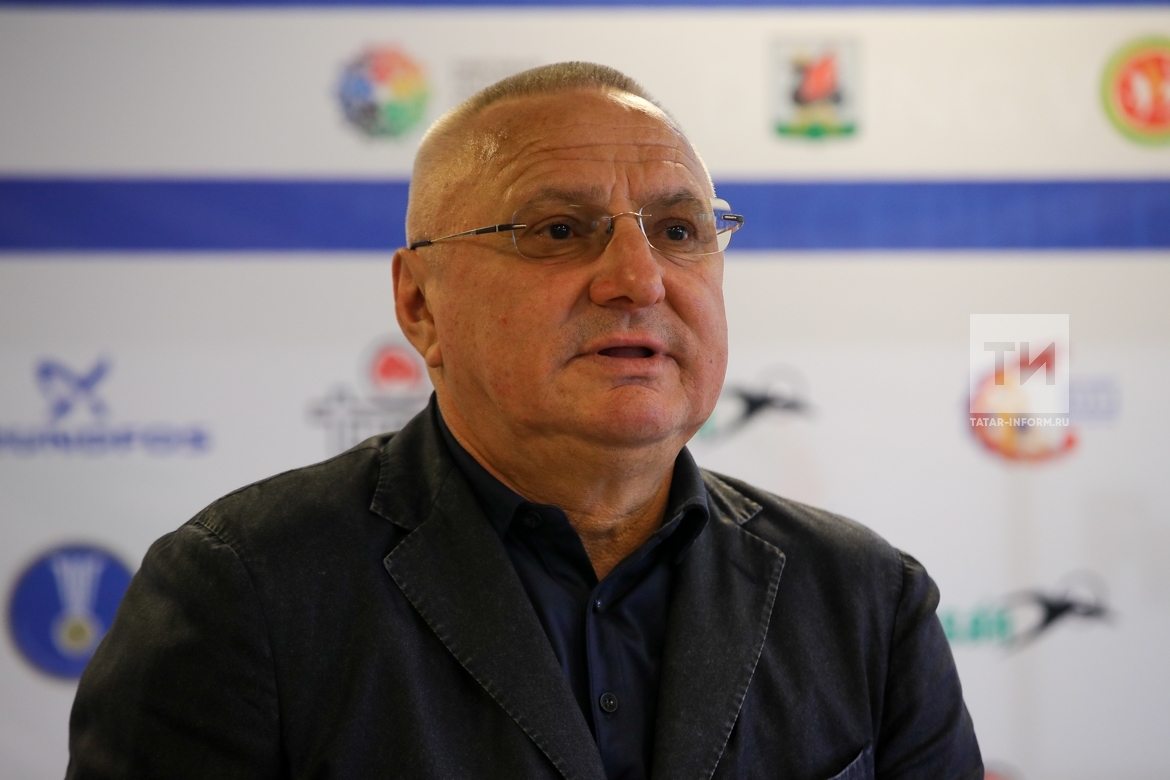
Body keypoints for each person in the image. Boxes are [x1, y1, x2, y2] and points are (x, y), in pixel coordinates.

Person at [67, 62, 982, 780]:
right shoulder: (245, 591)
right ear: (420, 304)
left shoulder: (867, 599)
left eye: (678, 231)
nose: (639, 278)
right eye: (558, 231)